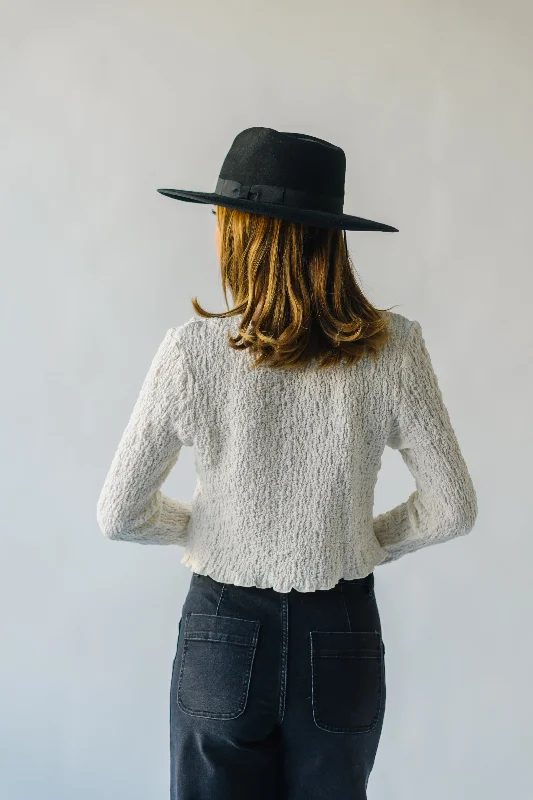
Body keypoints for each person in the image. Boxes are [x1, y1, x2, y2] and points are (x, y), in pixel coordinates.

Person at [96, 127, 478, 799]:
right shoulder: (394, 350)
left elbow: (119, 515)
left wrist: (209, 530)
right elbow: (450, 509)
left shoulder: (190, 352)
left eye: (220, 218)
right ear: (327, 236)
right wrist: (353, 541)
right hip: (340, 630)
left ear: (241, 233)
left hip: (222, 626)